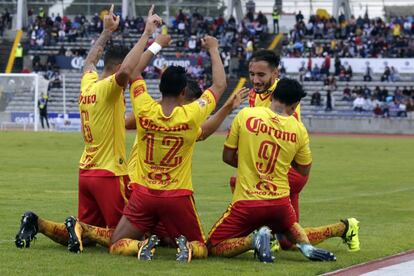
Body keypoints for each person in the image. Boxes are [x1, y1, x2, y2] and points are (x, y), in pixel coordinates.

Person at [14, 4, 154, 252]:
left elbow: (90, 61)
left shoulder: (88, 84)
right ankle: (80, 227)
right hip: (109, 172)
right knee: (126, 235)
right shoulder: (109, 88)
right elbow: (126, 72)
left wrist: (106, 31)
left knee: (87, 238)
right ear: (119, 66)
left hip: (86, 172)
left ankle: (39, 223)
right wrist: (146, 36)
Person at [104, 35, 227, 262]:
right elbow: (219, 84)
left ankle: (142, 245)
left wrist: (157, 44)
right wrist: (213, 48)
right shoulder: (192, 114)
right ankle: (186, 249)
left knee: (117, 244)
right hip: (177, 196)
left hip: (144, 193)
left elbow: (132, 71)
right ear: (183, 93)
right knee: (201, 247)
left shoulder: (144, 108)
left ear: (159, 88)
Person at [235, 49, 360, 252]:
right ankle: (345, 228)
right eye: (252, 74)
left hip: (286, 171)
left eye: (261, 75)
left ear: (275, 73)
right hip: (276, 170)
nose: (255, 80)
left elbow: (285, 137)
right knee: (289, 241)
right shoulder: (254, 95)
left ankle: (263, 235)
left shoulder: (283, 94)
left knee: (239, 181)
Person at [208, 79, 336, 263]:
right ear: (295, 105)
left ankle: (254, 241)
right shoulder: (299, 129)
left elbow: (227, 156)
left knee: (213, 246)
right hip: (279, 204)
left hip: (247, 203)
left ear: (272, 96)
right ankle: (306, 246)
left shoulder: (246, 115)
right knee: (289, 223)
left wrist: (249, 164)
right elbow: (303, 170)